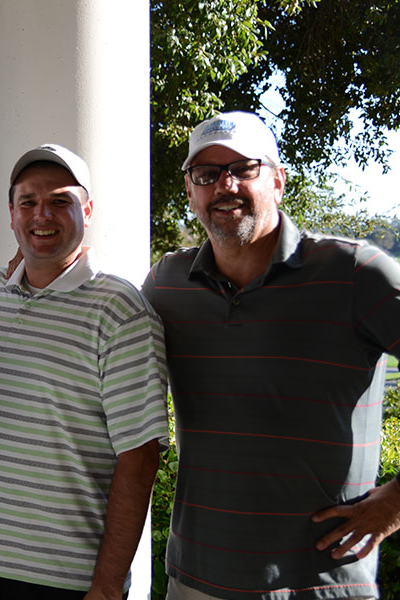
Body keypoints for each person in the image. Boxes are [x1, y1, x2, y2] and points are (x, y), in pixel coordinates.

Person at [141, 111, 400, 600]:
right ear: (191, 192)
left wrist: (396, 503)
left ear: (278, 181)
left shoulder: (354, 273)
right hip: (196, 580)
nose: (226, 185)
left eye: (244, 168)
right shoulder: (167, 285)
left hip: (321, 584)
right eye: (207, 174)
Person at [0, 144, 170, 600]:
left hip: (71, 580)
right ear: (11, 214)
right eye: (28, 202)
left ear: (86, 210)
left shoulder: (120, 311)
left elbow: (140, 456)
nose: (41, 215)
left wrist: (107, 586)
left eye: (60, 201)